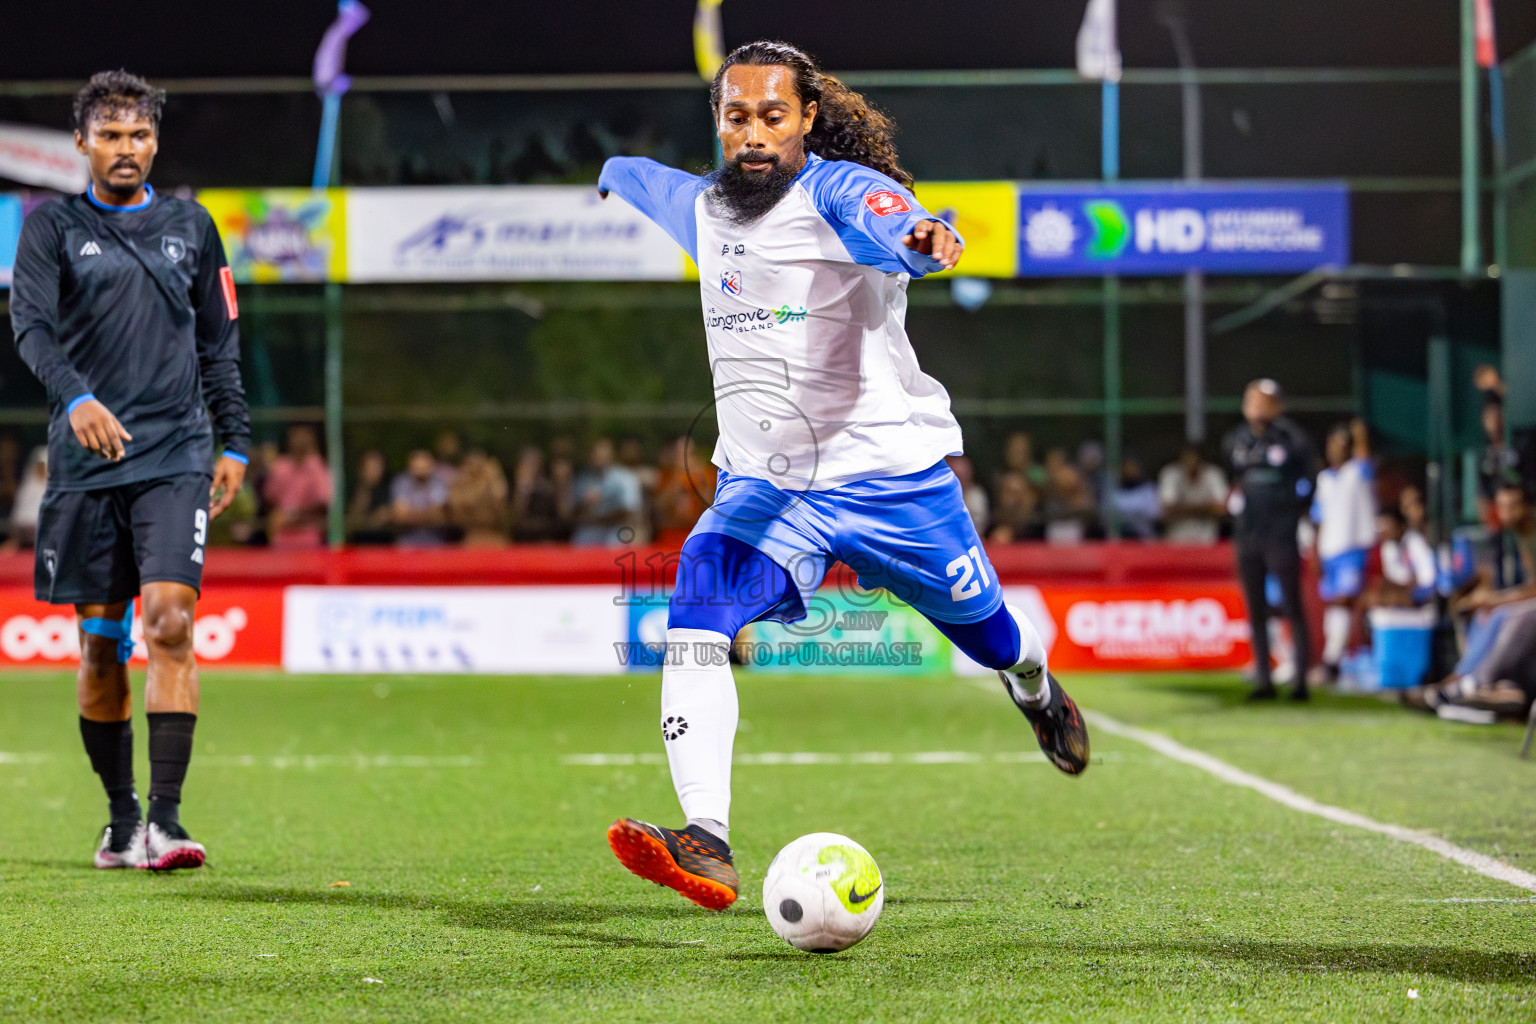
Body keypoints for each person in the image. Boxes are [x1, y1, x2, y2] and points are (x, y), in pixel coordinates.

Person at [596, 40, 1088, 911]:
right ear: (718, 120)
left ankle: (1035, 690)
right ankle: (706, 838)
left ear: (808, 119)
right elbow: (642, 177)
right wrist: (611, 173)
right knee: (695, 609)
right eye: (735, 116)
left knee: (992, 635)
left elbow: (897, 218)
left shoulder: (838, 196)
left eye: (772, 117)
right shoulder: (704, 207)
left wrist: (925, 237)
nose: (752, 135)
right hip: (767, 486)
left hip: (893, 480)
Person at [8, 71, 250, 871]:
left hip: (175, 454)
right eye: (110, 135)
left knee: (172, 623)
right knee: (101, 650)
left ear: (155, 141)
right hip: (86, 463)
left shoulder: (192, 226)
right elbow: (32, 327)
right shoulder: (49, 227)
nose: (126, 149)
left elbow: (220, 341)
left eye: (139, 134)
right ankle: (121, 818)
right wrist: (75, 397)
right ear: (81, 143)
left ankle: (167, 824)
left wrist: (235, 442)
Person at [1224, 379, 1315, 700]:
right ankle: (1263, 676)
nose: (1256, 407)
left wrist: (1293, 514)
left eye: (1264, 402)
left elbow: (1310, 482)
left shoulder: (1292, 440)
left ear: (1278, 406)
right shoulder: (1236, 440)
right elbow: (1232, 481)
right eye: (1252, 401)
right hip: (1248, 534)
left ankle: (1301, 679)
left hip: (1281, 534)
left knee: (1292, 603)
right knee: (1255, 605)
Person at [1309, 419, 1376, 683]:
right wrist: (1316, 550)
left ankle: (1332, 659)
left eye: (1342, 445)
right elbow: (1319, 518)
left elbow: (1364, 458)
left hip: (1352, 547)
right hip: (1329, 550)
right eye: (1332, 445)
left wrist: (1360, 436)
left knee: (1344, 601)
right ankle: (1333, 659)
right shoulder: (1324, 479)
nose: (1335, 450)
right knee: (1334, 603)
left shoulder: (1357, 472)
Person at [261, 424, 331, 549]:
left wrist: (292, 515)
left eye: (303, 436)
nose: (298, 440)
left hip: (309, 538)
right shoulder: (281, 466)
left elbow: (323, 504)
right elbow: (269, 498)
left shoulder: (317, 467)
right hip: (281, 539)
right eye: (296, 436)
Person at [571, 438, 643, 547]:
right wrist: (585, 504)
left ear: (611, 454)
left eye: (602, 452)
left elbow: (629, 511)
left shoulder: (626, 478)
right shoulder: (582, 479)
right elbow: (573, 513)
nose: (598, 456)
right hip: (588, 535)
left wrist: (597, 519)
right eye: (595, 452)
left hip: (615, 534)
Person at [1158, 445, 1228, 544]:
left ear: (1201, 461)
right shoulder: (1171, 474)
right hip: (1176, 539)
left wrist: (1182, 508)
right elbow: (1167, 510)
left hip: (1207, 539)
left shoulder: (1213, 474)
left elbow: (1221, 509)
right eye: (1187, 460)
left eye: (1194, 460)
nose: (1190, 464)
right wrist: (1206, 508)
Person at [448, 450, 510, 546]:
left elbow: (500, 506)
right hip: (471, 534)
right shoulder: (461, 484)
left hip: (493, 534)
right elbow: (458, 509)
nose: (475, 469)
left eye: (479, 466)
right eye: (471, 465)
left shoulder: (493, 483)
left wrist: (493, 479)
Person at [391, 449, 451, 547]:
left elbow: (438, 516)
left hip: (434, 544)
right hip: (407, 545)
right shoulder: (401, 483)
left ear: (431, 467)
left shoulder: (438, 483)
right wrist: (428, 514)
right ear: (410, 467)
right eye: (418, 468)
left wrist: (411, 514)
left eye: (424, 468)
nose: (421, 472)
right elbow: (401, 517)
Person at [344, 449, 394, 545]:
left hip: (384, 545)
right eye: (370, 467)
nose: (374, 471)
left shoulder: (389, 487)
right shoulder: (352, 488)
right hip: (357, 544)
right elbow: (352, 519)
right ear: (361, 469)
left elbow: (387, 516)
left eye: (377, 467)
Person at [1112, 455, 1160, 540]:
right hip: (1119, 538)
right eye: (1126, 468)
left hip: (1144, 537)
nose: (1129, 471)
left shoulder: (1148, 489)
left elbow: (1155, 514)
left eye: (1132, 467)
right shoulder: (1114, 491)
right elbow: (1109, 515)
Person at [945, 454, 990, 536]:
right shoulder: (943, 496)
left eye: (962, 477)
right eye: (956, 477)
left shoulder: (976, 495)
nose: (959, 482)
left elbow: (980, 524)